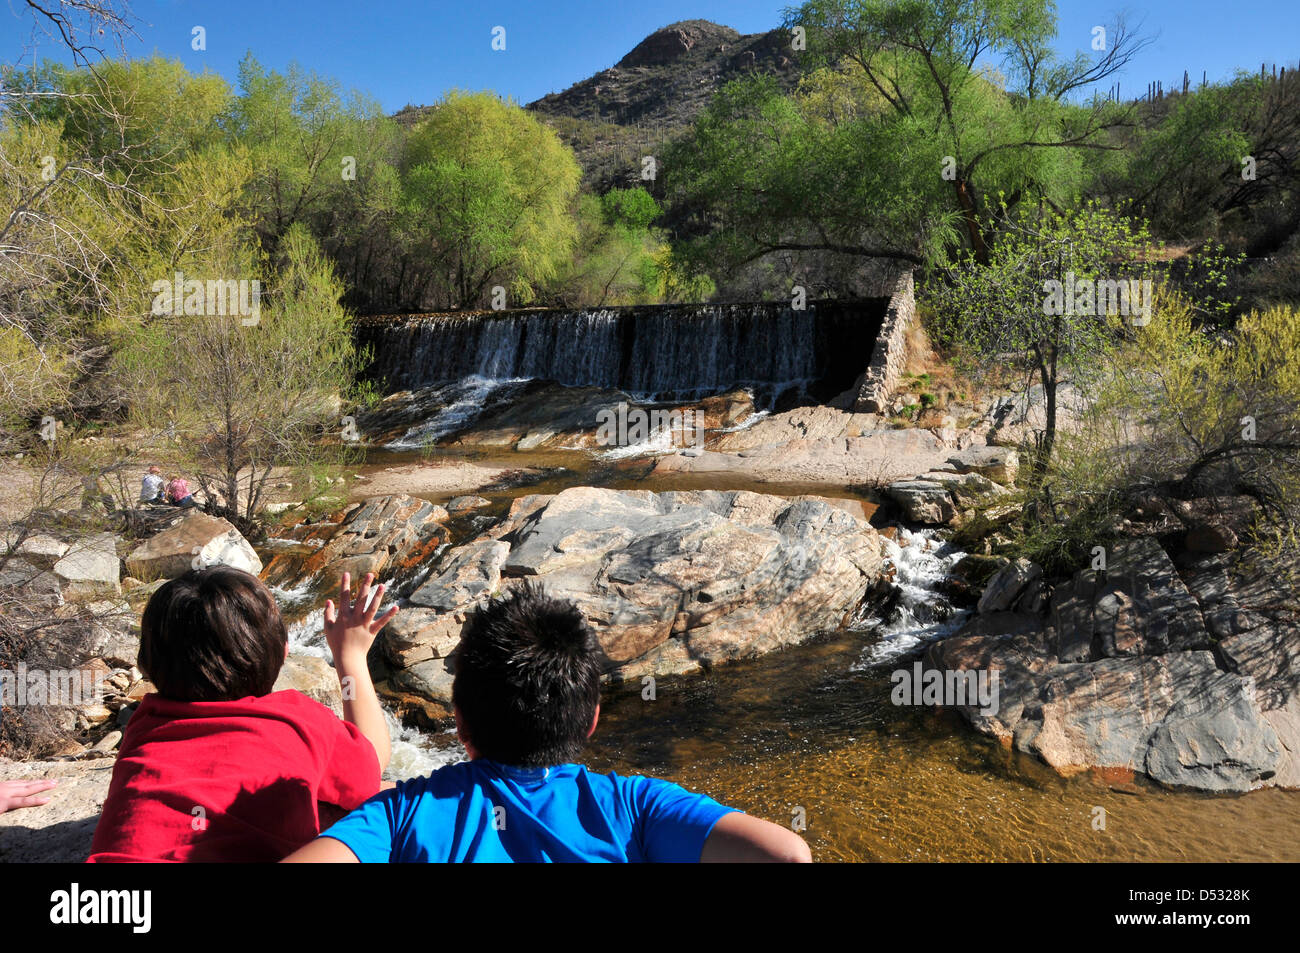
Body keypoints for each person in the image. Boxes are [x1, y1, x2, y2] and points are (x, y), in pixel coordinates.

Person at [283, 583, 812, 863]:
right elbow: (787, 853)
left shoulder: (401, 814)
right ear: (592, 719)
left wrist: (349, 660)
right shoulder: (634, 807)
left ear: (459, 719)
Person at [88, 568, 396, 862]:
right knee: (394, 798)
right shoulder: (298, 720)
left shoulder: (144, 723)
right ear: (284, 651)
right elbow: (372, 764)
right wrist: (350, 657)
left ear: (146, 662)